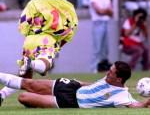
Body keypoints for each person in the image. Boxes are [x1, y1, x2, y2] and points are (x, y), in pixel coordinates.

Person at [0, 0, 78, 106]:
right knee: (46, 64)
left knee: (26, 79)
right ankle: (33, 64)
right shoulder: (68, 6)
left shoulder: (35, 1)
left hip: (30, 40)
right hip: (48, 40)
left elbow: (23, 23)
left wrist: (31, 35)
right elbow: (70, 31)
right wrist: (57, 44)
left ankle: (2, 94)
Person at [0, 61, 150, 108]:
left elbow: (136, 106)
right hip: (72, 87)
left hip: (70, 101)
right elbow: (94, 85)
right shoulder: (108, 79)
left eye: (111, 72)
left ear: (119, 79)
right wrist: (77, 82)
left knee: (24, 97)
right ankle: (2, 94)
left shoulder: (122, 96)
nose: (107, 73)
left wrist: (146, 102)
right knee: (28, 83)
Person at [89, 0, 112, 73]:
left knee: (105, 48)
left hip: (106, 23)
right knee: (97, 48)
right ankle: (94, 68)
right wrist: (105, 10)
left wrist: (104, 11)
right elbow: (99, 12)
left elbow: (111, 12)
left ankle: (103, 67)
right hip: (97, 23)